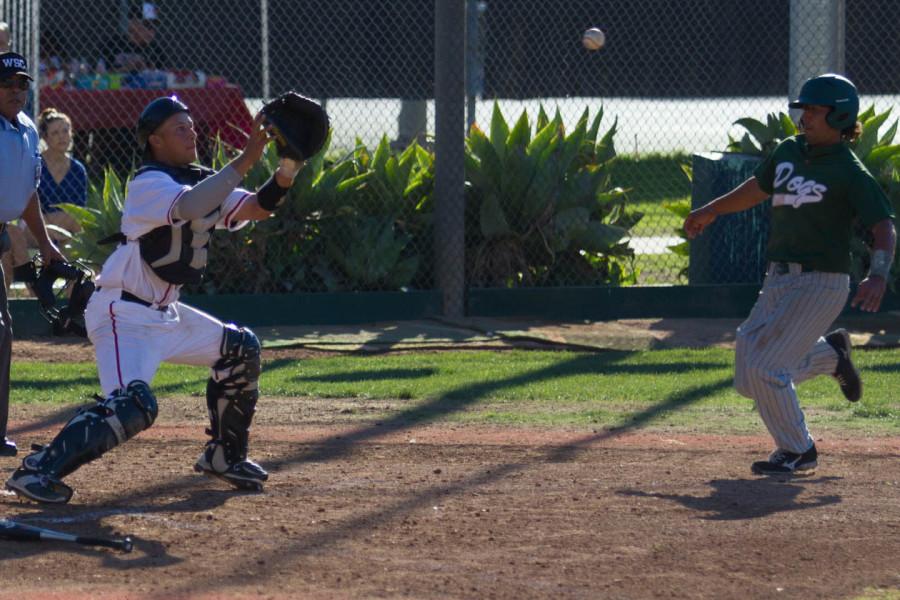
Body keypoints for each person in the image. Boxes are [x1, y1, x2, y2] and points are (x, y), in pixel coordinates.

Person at [6, 95, 304, 503]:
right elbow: (193, 204)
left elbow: (256, 207)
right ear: (155, 141)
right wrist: (247, 158)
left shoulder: (200, 178)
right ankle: (37, 471)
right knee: (134, 405)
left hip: (167, 314)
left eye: (191, 125)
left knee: (241, 349)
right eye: (179, 128)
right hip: (122, 314)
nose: (191, 132)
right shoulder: (149, 183)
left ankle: (224, 456)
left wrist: (289, 168)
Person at [683, 73, 896, 476]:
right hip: (778, 280)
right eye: (803, 109)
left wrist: (878, 275)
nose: (805, 116)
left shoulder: (849, 171)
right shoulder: (788, 150)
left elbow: (883, 225)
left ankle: (799, 450)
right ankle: (830, 356)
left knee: (766, 370)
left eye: (815, 110)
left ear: (840, 117)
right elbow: (756, 187)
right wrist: (712, 208)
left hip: (822, 282)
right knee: (750, 378)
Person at [0, 51, 67, 457]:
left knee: (3, 332)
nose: (15, 91)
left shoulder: (26, 130)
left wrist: (45, 242)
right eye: (7, 84)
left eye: (21, 84)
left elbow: (27, 194)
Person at [3, 108, 87, 289]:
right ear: (45, 138)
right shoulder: (35, 162)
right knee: (12, 237)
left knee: (73, 250)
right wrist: (49, 227)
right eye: (55, 133)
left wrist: (56, 226)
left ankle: (71, 310)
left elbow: (78, 216)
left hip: (66, 232)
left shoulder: (78, 170)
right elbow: (29, 205)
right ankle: (34, 292)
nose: (62, 136)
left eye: (65, 131)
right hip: (35, 229)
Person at [102, 1, 169, 73]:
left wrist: (147, 72)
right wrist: (125, 69)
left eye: (154, 27)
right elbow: (96, 79)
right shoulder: (113, 44)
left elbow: (165, 78)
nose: (151, 32)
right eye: (148, 26)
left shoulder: (156, 50)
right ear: (133, 23)